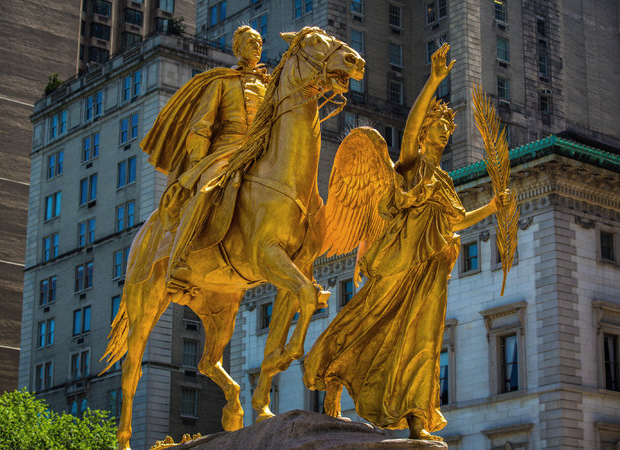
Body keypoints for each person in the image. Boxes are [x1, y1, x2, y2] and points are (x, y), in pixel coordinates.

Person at [303, 43, 509, 440]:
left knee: (424, 343)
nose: (445, 133)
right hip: (398, 265)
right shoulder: (411, 167)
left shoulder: (446, 184)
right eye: (440, 127)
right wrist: (433, 81)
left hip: (431, 272)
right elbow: (410, 128)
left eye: (449, 130)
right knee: (365, 321)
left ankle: (417, 418)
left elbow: (458, 220)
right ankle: (332, 381)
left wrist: (492, 209)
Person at [126, 26, 268, 287]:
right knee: (205, 190)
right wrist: (199, 161)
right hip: (227, 151)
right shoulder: (221, 83)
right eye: (250, 42)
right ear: (238, 49)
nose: (256, 46)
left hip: (261, 151)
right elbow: (202, 125)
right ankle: (179, 258)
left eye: (259, 42)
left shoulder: (270, 88)